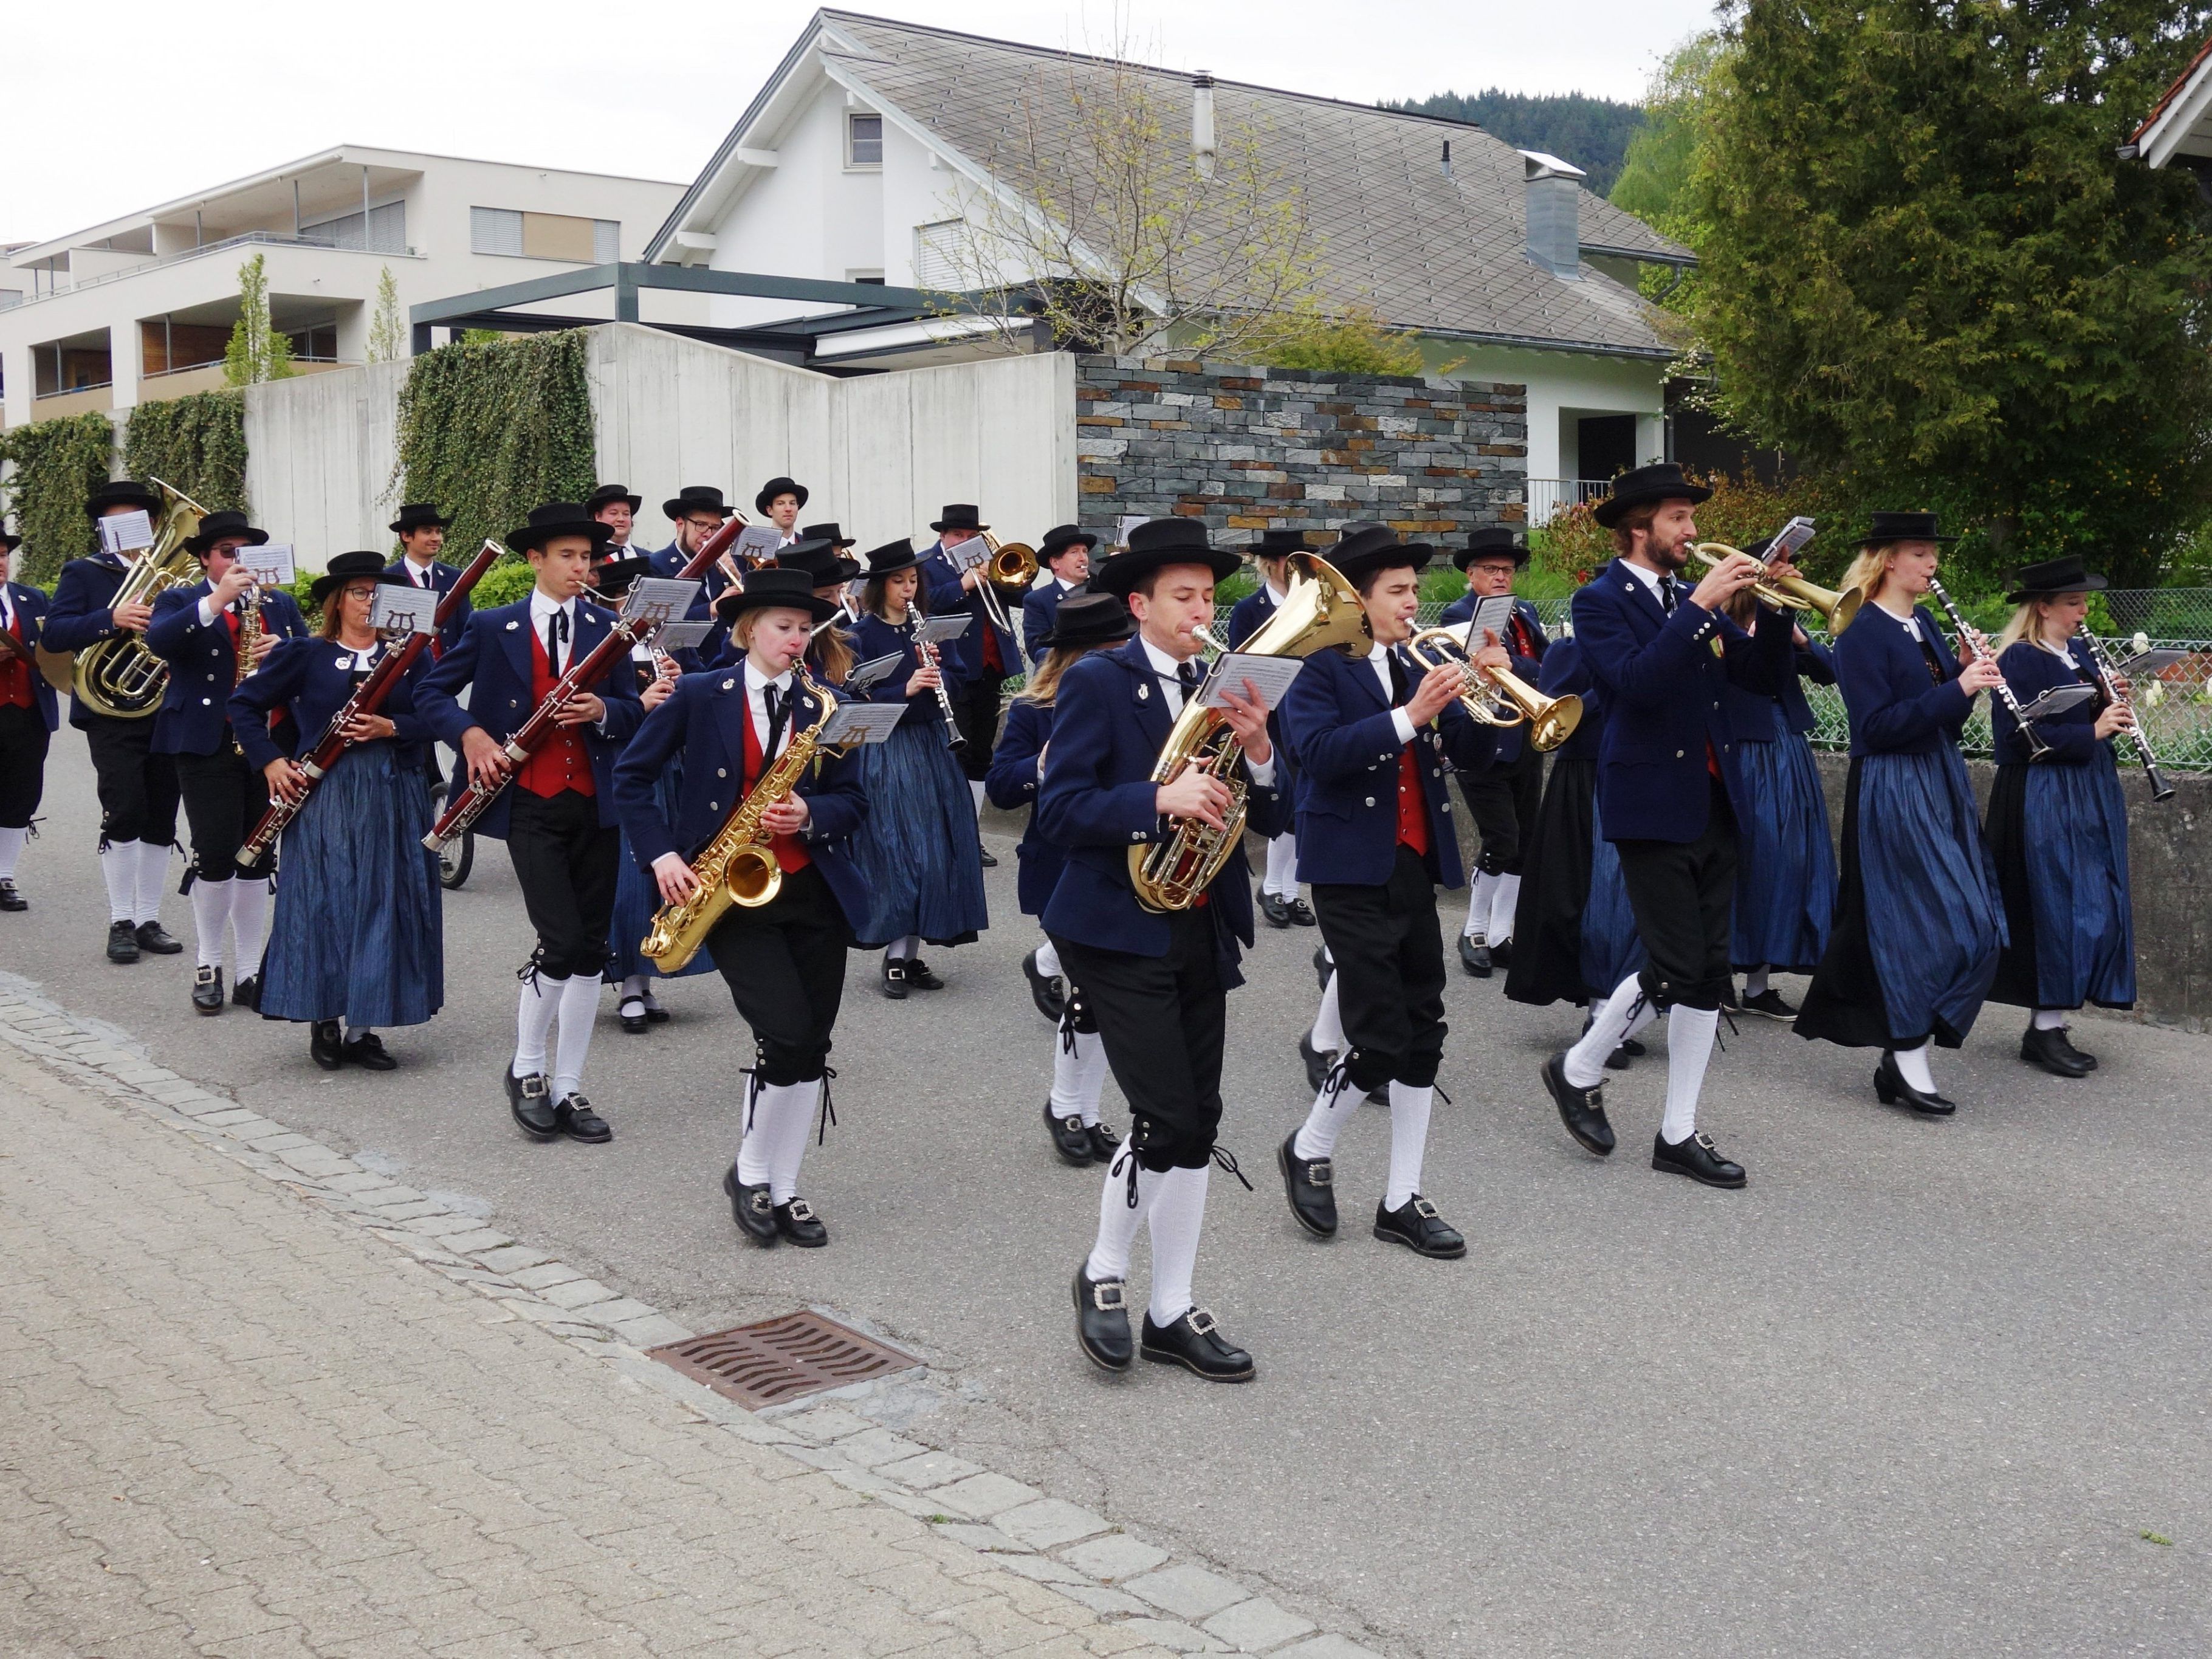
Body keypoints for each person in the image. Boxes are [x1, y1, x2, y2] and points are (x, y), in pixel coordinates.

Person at [1048, 517, 1289, 1385]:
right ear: (1139, 603)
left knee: (1201, 1123)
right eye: (1183, 597)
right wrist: (1158, 798)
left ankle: (1171, 1308)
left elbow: (1269, 816)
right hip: (1115, 925)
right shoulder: (1097, 683)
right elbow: (1061, 809)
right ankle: (1105, 1271)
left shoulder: (1225, 685)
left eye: (1207, 596)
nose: (1201, 611)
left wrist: (1260, 748)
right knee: (1168, 1116)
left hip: (1199, 920)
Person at [1539, 463, 1798, 1190]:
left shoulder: (1694, 597)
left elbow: (1755, 682)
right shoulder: (1598, 602)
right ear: (1638, 527)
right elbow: (1635, 684)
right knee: (1685, 968)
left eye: (1690, 517)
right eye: (1679, 518)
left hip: (1715, 802)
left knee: (1701, 973)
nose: (1692, 531)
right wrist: (1700, 610)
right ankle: (1583, 1069)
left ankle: (1666, 1124)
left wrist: (1774, 606)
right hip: (1649, 805)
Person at [614, 567, 870, 1248]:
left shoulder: (828, 705)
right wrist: (662, 855)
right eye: (783, 628)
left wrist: (810, 812)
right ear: (748, 630)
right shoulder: (702, 694)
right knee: (784, 1033)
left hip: (812, 888)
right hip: (728, 889)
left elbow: (855, 801)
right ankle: (752, 1172)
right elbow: (632, 777)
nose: (796, 641)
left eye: (803, 629)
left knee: (811, 1043)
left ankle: (784, 1187)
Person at [1276, 524, 1502, 1259]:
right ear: (1359, 599)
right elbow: (1317, 755)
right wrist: (1412, 715)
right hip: (1346, 866)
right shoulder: (1316, 667)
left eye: (1414, 589)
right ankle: (1310, 1145)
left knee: (1424, 1026)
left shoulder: (1411, 664)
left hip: (1410, 863)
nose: (1414, 602)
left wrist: (1483, 687)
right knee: (1378, 1035)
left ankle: (1402, 1196)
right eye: (1398, 591)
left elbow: (1467, 754)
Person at [417, 502, 653, 1145]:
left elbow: (635, 715)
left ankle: (570, 1086)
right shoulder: (495, 626)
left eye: (587, 558)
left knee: (591, 951)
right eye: (568, 557)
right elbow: (431, 693)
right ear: (536, 561)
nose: (581, 568)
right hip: (528, 803)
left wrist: (604, 707)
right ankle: (526, 1069)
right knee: (561, 942)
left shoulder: (611, 629)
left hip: (596, 804)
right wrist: (469, 737)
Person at [1796, 512, 2007, 1113]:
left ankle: (1901, 1057)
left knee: (1975, 925)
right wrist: (1958, 687)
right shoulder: (1861, 630)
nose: (1932, 564)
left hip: (1939, 779)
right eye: (1920, 553)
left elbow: (1946, 718)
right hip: (1891, 786)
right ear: (1889, 560)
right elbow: (1877, 728)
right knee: (1915, 926)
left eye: (1932, 554)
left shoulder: (1927, 626)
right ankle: (1908, 1058)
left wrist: (1967, 682)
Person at [232, 551, 444, 1068]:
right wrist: (272, 764)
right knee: (326, 902)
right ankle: (323, 1019)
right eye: (358, 592)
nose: (368, 601)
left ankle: (364, 1027)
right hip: (325, 793)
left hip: (394, 790)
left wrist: (391, 728)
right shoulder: (306, 654)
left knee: (383, 901)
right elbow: (244, 706)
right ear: (338, 601)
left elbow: (437, 716)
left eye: (377, 592)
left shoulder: (411, 656)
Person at [986, 591, 1135, 1163]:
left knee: (1098, 997)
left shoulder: (1130, 699)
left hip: (1116, 861)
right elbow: (1001, 787)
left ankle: (1083, 1110)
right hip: (1058, 865)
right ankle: (1069, 1107)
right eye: (1112, 648)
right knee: (1092, 994)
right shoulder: (1033, 709)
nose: (1124, 656)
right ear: (1078, 656)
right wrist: (1044, 764)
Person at [145, 510, 307, 1014]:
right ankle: (209, 962)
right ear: (205, 560)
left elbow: (311, 660)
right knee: (215, 855)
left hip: (266, 744)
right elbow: (159, 642)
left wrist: (287, 649)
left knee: (258, 856)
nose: (239, 562)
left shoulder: (279, 603)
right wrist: (217, 602)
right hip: (205, 741)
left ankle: (249, 970)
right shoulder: (182, 599)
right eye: (227, 553)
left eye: (246, 553)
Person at [1984, 556, 2135, 1076]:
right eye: (2073, 603)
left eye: (2083, 602)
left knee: (2092, 902)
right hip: (2045, 794)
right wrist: (2091, 732)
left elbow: (2077, 720)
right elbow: (2014, 740)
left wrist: (2108, 709)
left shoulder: (2073, 656)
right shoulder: (2023, 659)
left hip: (2085, 789)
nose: (2083, 611)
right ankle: (2043, 1029)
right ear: (2043, 607)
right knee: (2056, 907)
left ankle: (2052, 1020)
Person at [44, 479, 186, 963]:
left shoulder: (173, 576)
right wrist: (111, 617)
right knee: (125, 809)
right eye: (117, 521)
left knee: (162, 814)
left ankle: (148, 918)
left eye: (139, 519)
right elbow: (58, 634)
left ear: (151, 524)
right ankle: (120, 919)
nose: (131, 528)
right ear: (104, 529)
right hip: (111, 712)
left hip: (165, 709)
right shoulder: (84, 573)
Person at [847, 538, 989, 996]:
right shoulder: (859, 635)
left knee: (935, 849)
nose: (908, 590)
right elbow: (849, 698)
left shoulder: (927, 627)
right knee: (897, 852)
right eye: (898, 582)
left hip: (931, 744)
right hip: (888, 748)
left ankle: (909, 954)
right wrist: (903, 689)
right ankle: (894, 953)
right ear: (879, 587)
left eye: (913, 581)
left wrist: (937, 671)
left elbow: (963, 675)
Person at [1502, 631, 1649, 1068]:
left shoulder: (1659, 642)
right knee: (1597, 903)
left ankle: (1623, 1012)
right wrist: (1615, 683)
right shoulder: (1574, 648)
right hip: (1589, 781)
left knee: (1642, 905)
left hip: (1647, 776)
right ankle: (1601, 1017)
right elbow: (1556, 725)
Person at [592, 543, 712, 1034]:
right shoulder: (604, 646)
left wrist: (686, 682)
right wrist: (641, 702)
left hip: (672, 772)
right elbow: (596, 706)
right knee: (628, 880)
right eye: (631, 599)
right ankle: (629, 986)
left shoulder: (672, 644)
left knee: (665, 875)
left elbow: (712, 689)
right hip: (627, 770)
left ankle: (652, 972)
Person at [1716, 547, 1839, 1018]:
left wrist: (1802, 642)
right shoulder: (1724, 623)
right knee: (1750, 860)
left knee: (1787, 863)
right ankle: (1720, 977)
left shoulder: (1786, 624)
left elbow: (1831, 674)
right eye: (1781, 579)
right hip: (1746, 748)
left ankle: (1758, 985)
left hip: (1787, 746)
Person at [1441, 527, 1548, 976]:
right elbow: (1462, 676)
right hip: (1482, 737)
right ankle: (1475, 929)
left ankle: (1504, 933)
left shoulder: (1526, 613)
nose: (1502, 577)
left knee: (1525, 844)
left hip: (1526, 738)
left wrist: (1517, 665)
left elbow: (1547, 667)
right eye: (1491, 569)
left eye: (1507, 569)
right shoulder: (1457, 615)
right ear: (1471, 574)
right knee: (1501, 840)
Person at [1226, 527, 1317, 929]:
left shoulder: (1314, 603)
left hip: (1308, 711)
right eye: (1292, 562)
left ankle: (1289, 890)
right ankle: (1273, 886)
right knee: (1287, 800)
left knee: (1304, 805)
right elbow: (1238, 662)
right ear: (1275, 564)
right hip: (1271, 714)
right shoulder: (1250, 608)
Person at [918, 504, 1015, 862]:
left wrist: (998, 573)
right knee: (953, 756)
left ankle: (971, 835)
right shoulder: (927, 563)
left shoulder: (989, 558)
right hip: (954, 668)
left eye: (971, 536)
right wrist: (963, 583)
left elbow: (1021, 593)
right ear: (943, 536)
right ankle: (948, 835)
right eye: (959, 535)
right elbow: (925, 603)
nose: (966, 541)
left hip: (990, 667)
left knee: (981, 755)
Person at [0, 527, 57, 913]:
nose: (0, 562)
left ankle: (5, 875)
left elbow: (57, 645)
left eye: (3, 554)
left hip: (27, 711)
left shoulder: (32, 598)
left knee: (21, 795)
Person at [385, 503, 469, 655]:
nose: (436, 538)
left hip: (448, 671)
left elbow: (466, 629)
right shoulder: (389, 579)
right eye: (427, 532)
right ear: (406, 536)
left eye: (438, 532)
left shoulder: (454, 576)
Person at [1021, 524, 1097, 667]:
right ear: (1055, 562)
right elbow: (1037, 650)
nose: (1083, 558)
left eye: (1085, 552)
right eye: (1074, 553)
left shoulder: (1099, 593)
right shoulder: (1038, 600)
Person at [649, 486, 736, 579]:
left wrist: (737, 578)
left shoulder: (723, 564)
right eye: (701, 525)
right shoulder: (655, 565)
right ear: (680, 524)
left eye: (715, 527)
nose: (709, 534)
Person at [757, 477, 808, 549]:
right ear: (770, 510)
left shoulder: (808, 545)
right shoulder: (755, 549)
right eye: (780, 504)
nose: (788, 509)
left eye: (792, 503)